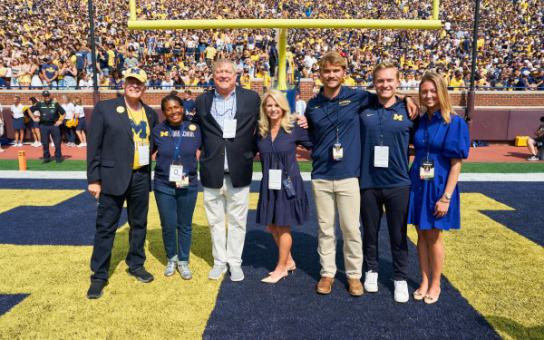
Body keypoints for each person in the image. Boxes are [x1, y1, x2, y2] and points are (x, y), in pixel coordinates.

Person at [305, 52, 417, 297]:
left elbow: (387, 95)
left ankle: (355, 274)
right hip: (321, 174)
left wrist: (408, 97)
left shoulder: (358, 96)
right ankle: (328, 273)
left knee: (351, 229)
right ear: (320, 74)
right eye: (327, 71)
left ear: (344, 72)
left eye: (336, 71)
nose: (332, 75)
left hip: (350, 176)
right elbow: (310, 130)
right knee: (325, 228)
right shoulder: (312, 104)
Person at [86, 68, 159, 299]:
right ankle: (99, 275)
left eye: (139, 82)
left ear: (145, 87)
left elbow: (152, 143)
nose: (134, 85)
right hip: (111, 177)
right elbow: (94, 146)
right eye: (130, 81)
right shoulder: (105, 108)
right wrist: (94, 179)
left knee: (139, 224)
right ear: (123, 83)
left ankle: (136, 264)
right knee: (106, 227)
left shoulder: (150, 113)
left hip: (140, 176)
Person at [192, 58, 261, 282]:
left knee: (238, 221)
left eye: (227, 72)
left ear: (236, 75)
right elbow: (197, 130)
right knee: (214, 221)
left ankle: (235, 262)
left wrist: (249, 149)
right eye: (219, 72)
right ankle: (219, 261)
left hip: (239, 168)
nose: (223, 75)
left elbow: (263, 126)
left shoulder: (251, 98)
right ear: (213, 75)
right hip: (212, 169)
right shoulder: (202, 100)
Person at [359, 62, 420, 303]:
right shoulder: (362, 107)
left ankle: (400, 278)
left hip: (398, 183)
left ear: (398, 82)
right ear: (374, 82)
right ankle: (371, 270)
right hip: (368, 183)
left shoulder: (409, 111)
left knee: (398, 234)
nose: (385, 84)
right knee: (370, 233)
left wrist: (408, 98)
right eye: (380, 80)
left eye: (389, 80)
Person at [408, 72, 470, 304]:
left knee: (434, 236)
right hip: (418, 183)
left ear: (442, 92)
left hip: (439, 186)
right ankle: (424, 280)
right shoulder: (421, 119)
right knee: (420, 234)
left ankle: (436, 284)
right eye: (424, 91)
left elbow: (456, 164)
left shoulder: (454, 122)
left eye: (433, 91)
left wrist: (446, 197)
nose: (428, 95)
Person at [255, 90, 313, 283]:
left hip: (288, 183)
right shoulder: (261, 130)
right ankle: (288, 261)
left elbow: (314, 144)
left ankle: (281, 269)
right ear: (264, 108)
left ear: (283, 107)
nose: (273, 109)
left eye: (276, 105)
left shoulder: (294, 127)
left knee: (282, 225)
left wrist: (310, 122)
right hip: (269, 183)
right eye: (269, 105)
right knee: (271, 225)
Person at [152, 94, 201, 279]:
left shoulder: (195, 129)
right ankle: (171, 257)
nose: (174, 111)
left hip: (188, 184)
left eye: (177, 107)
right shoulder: (158, 130)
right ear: (164, 112)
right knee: (168, 224)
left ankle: (183, 261)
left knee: (185, 225)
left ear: (183, 107)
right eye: (169, 109)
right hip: (163, 184)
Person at [29, 91, 66, 163]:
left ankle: (58, 158)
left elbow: (63, 113)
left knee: (57, 142)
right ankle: (46, 158)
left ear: (50, 95)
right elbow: (29, 110)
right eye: (45, 96)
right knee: (45, 143)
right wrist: (33, 118)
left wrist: (61, 121)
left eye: (48, 95)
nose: (47, 97)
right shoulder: (39, 104)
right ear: (42, 97)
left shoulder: (55, 104)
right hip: (43, 125)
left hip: (54, 125)